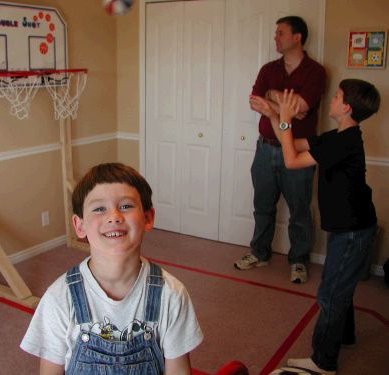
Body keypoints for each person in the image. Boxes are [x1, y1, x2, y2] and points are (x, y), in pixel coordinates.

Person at [20, 163, 204, 375]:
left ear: (148, 218)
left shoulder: (171, 294)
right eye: (99, 209)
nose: (114, 216)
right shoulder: (59, 298)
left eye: (126, 206)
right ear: (79, 226)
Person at [251, 79, 380, 374]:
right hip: (350, 228)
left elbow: (291, 160)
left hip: (353, 231)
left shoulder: (343, 142)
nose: (332, 99)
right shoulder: (341, 136)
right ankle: (344, 336)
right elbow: (293, 143)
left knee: (330, 293)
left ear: (346, 107)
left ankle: (324, 362)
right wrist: (274, 116)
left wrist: (284, 118)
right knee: (340, 286)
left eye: (336, 96)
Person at [234, 16, 326, 284]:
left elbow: (303, 108)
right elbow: (256, 101)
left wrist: (272, 101)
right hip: (265, 148)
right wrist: (284, 105)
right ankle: (259, 253)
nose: (276, 37)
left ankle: (298, 260)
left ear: (297, 37)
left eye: (281, 33)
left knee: (299, 210)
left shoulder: (316, 71)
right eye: (276, 33)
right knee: (262, 206)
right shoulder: (268, 69)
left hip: (299, 151)